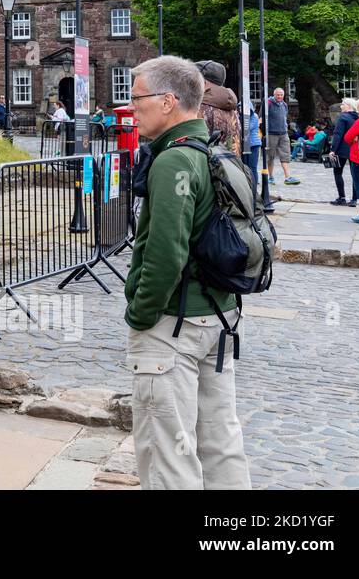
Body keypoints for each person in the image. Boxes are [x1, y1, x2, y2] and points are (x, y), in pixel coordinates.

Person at [124, 55, 250, 489]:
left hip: (174, 325)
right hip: (218, 317)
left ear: (168, 101)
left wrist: (141, 315)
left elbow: (164, 254)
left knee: (168, 454)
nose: (130, 105)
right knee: (220, 442)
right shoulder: (214, 150)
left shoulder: (174, 161)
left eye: (137, 96)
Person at [196, 60, 240, 154]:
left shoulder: (199, 108)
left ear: (203, 82)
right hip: (230, 166)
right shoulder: (231, 108)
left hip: (205, 166)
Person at [328, 98, 359, 207]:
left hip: (341, 149)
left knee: (337, 172)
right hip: (355, 148)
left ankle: (342, 198)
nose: (341, 106)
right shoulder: (357, 117)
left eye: (343, 104)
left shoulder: (343, 117)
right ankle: (355, 199)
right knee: (355, 174)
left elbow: (338, 134)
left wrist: (333, 150)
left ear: (348, 106)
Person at [265, 87, 297, 185]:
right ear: (274, 94)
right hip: (271, 134)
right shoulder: (268, 103)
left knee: (286, 155)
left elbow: (284, 117)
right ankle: (270, 177)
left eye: (281, 95)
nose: (279, 96)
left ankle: (287, 177)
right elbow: (262, 117)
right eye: (278, 95)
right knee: (270, 156)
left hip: (283, 134)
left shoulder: (284, 105)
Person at [245, 102, 262, 189]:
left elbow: (247, 128)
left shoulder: (254, 116)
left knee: (252, 167)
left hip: (254, 144)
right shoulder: (242, 117)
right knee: (245, 166)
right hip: (245, 144)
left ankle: (254, 186)